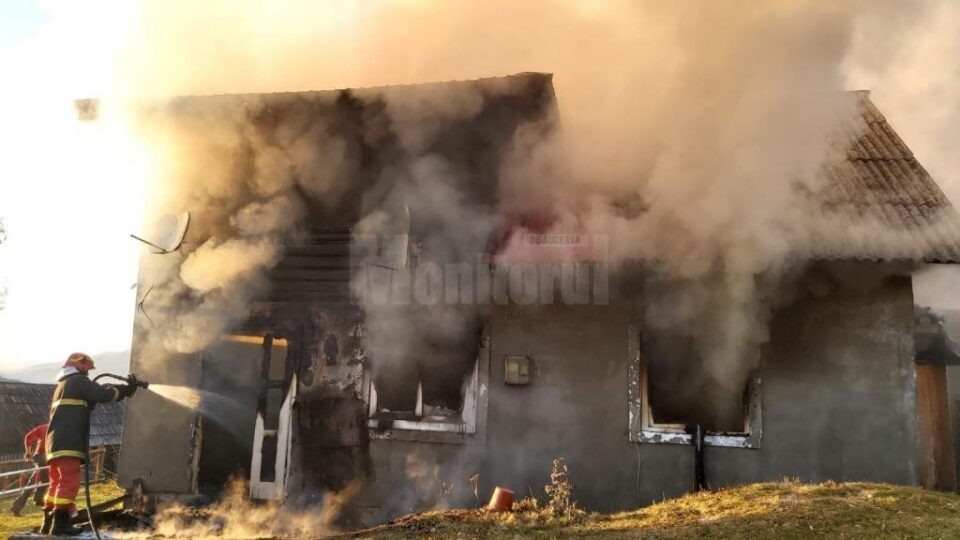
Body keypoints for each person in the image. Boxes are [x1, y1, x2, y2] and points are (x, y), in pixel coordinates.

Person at [39, 353, 137, 536]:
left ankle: (48, 522)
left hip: (54, 443)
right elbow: (102, 395)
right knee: (69, 482)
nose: (88, 374)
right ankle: (60, 524)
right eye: (87, 370)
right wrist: (126, 391)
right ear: (81, 367)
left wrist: (120, 389)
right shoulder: (78, 381)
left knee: (56, 483)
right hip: (68, 442)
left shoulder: (64, 384)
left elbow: (92, 397)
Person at [10, 423, 48, 516]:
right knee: (46, 478)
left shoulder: (56, 428)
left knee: (32, 483)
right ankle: (38, 498)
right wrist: (28, 451)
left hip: (47, 457)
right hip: (41, 457)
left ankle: (16, 507)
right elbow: (28, 436)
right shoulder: (44, 428)